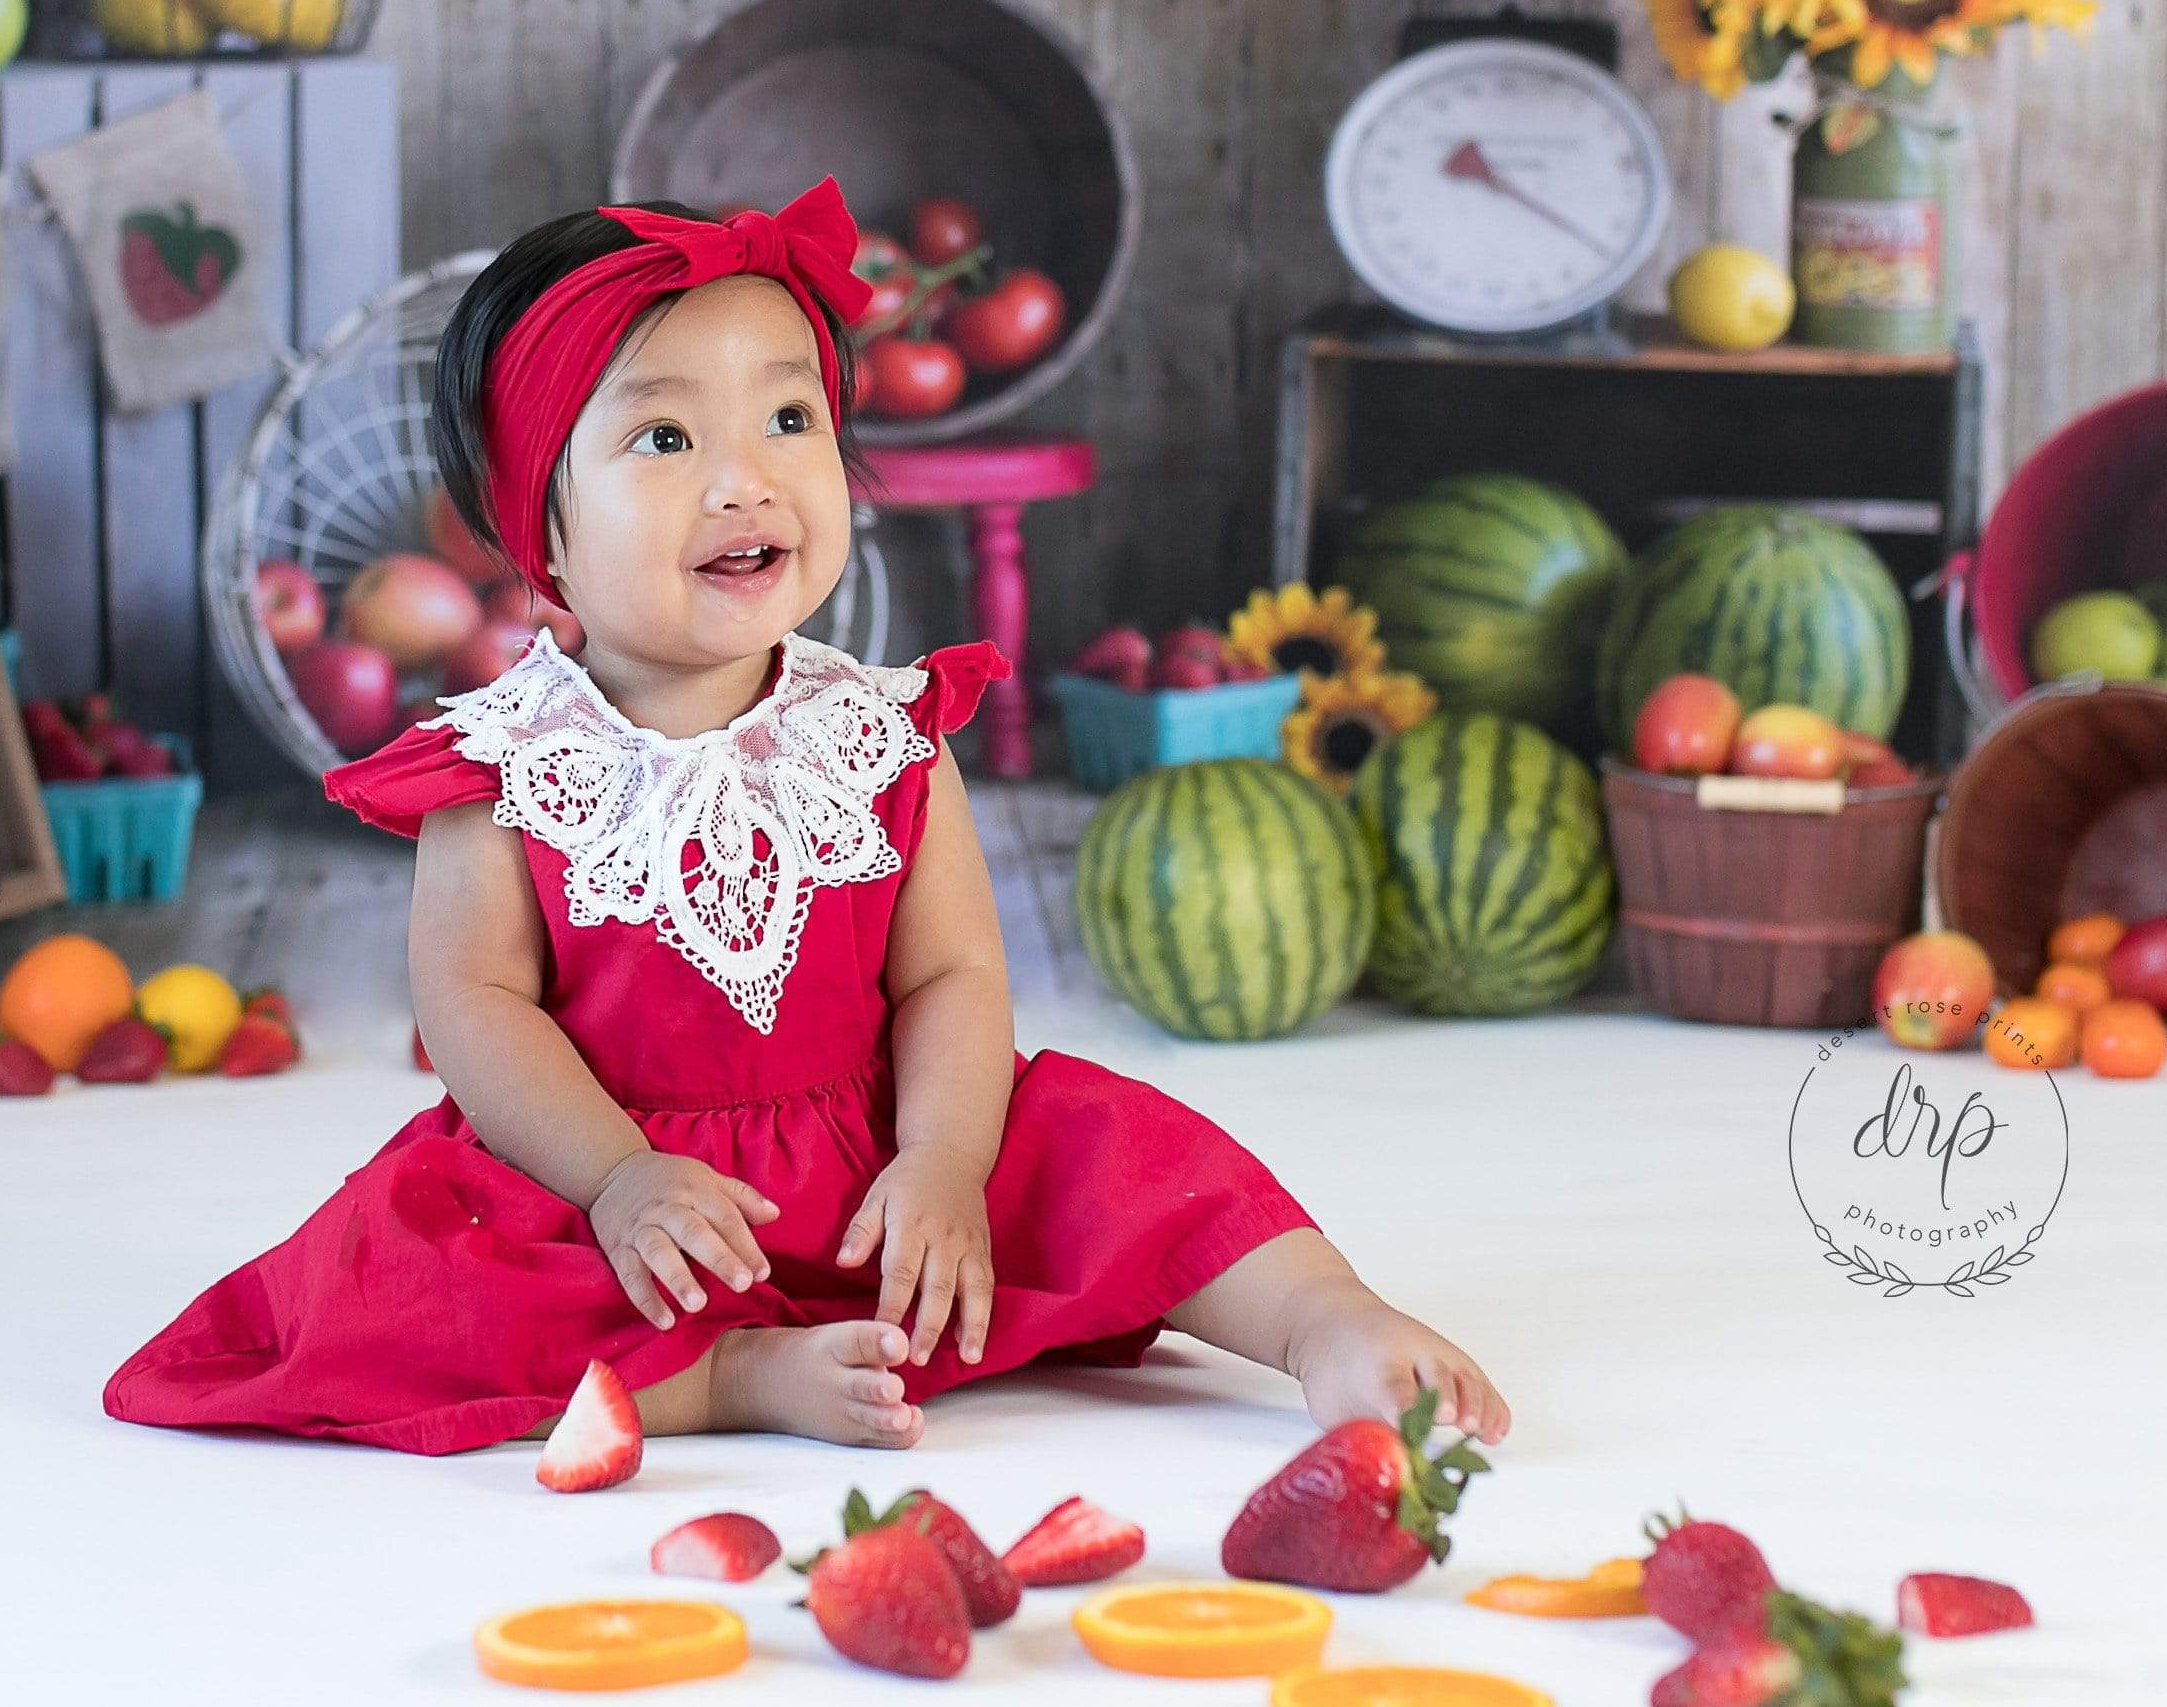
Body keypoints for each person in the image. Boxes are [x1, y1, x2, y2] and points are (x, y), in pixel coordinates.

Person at [103, 180, 1507, 1457]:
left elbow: (951, 974)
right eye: (663, 435)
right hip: (628, 1193)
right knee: (419, 1285)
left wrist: (949, 1159)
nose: (746, 476)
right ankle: (724, 1377)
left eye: (790, 417)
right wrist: (617, 1178)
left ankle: (1323, 1319)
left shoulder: (883, 729)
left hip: (887, 1166)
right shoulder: (508, 765)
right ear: (540, 534)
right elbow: (475, 1010)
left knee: (1111, 1149)